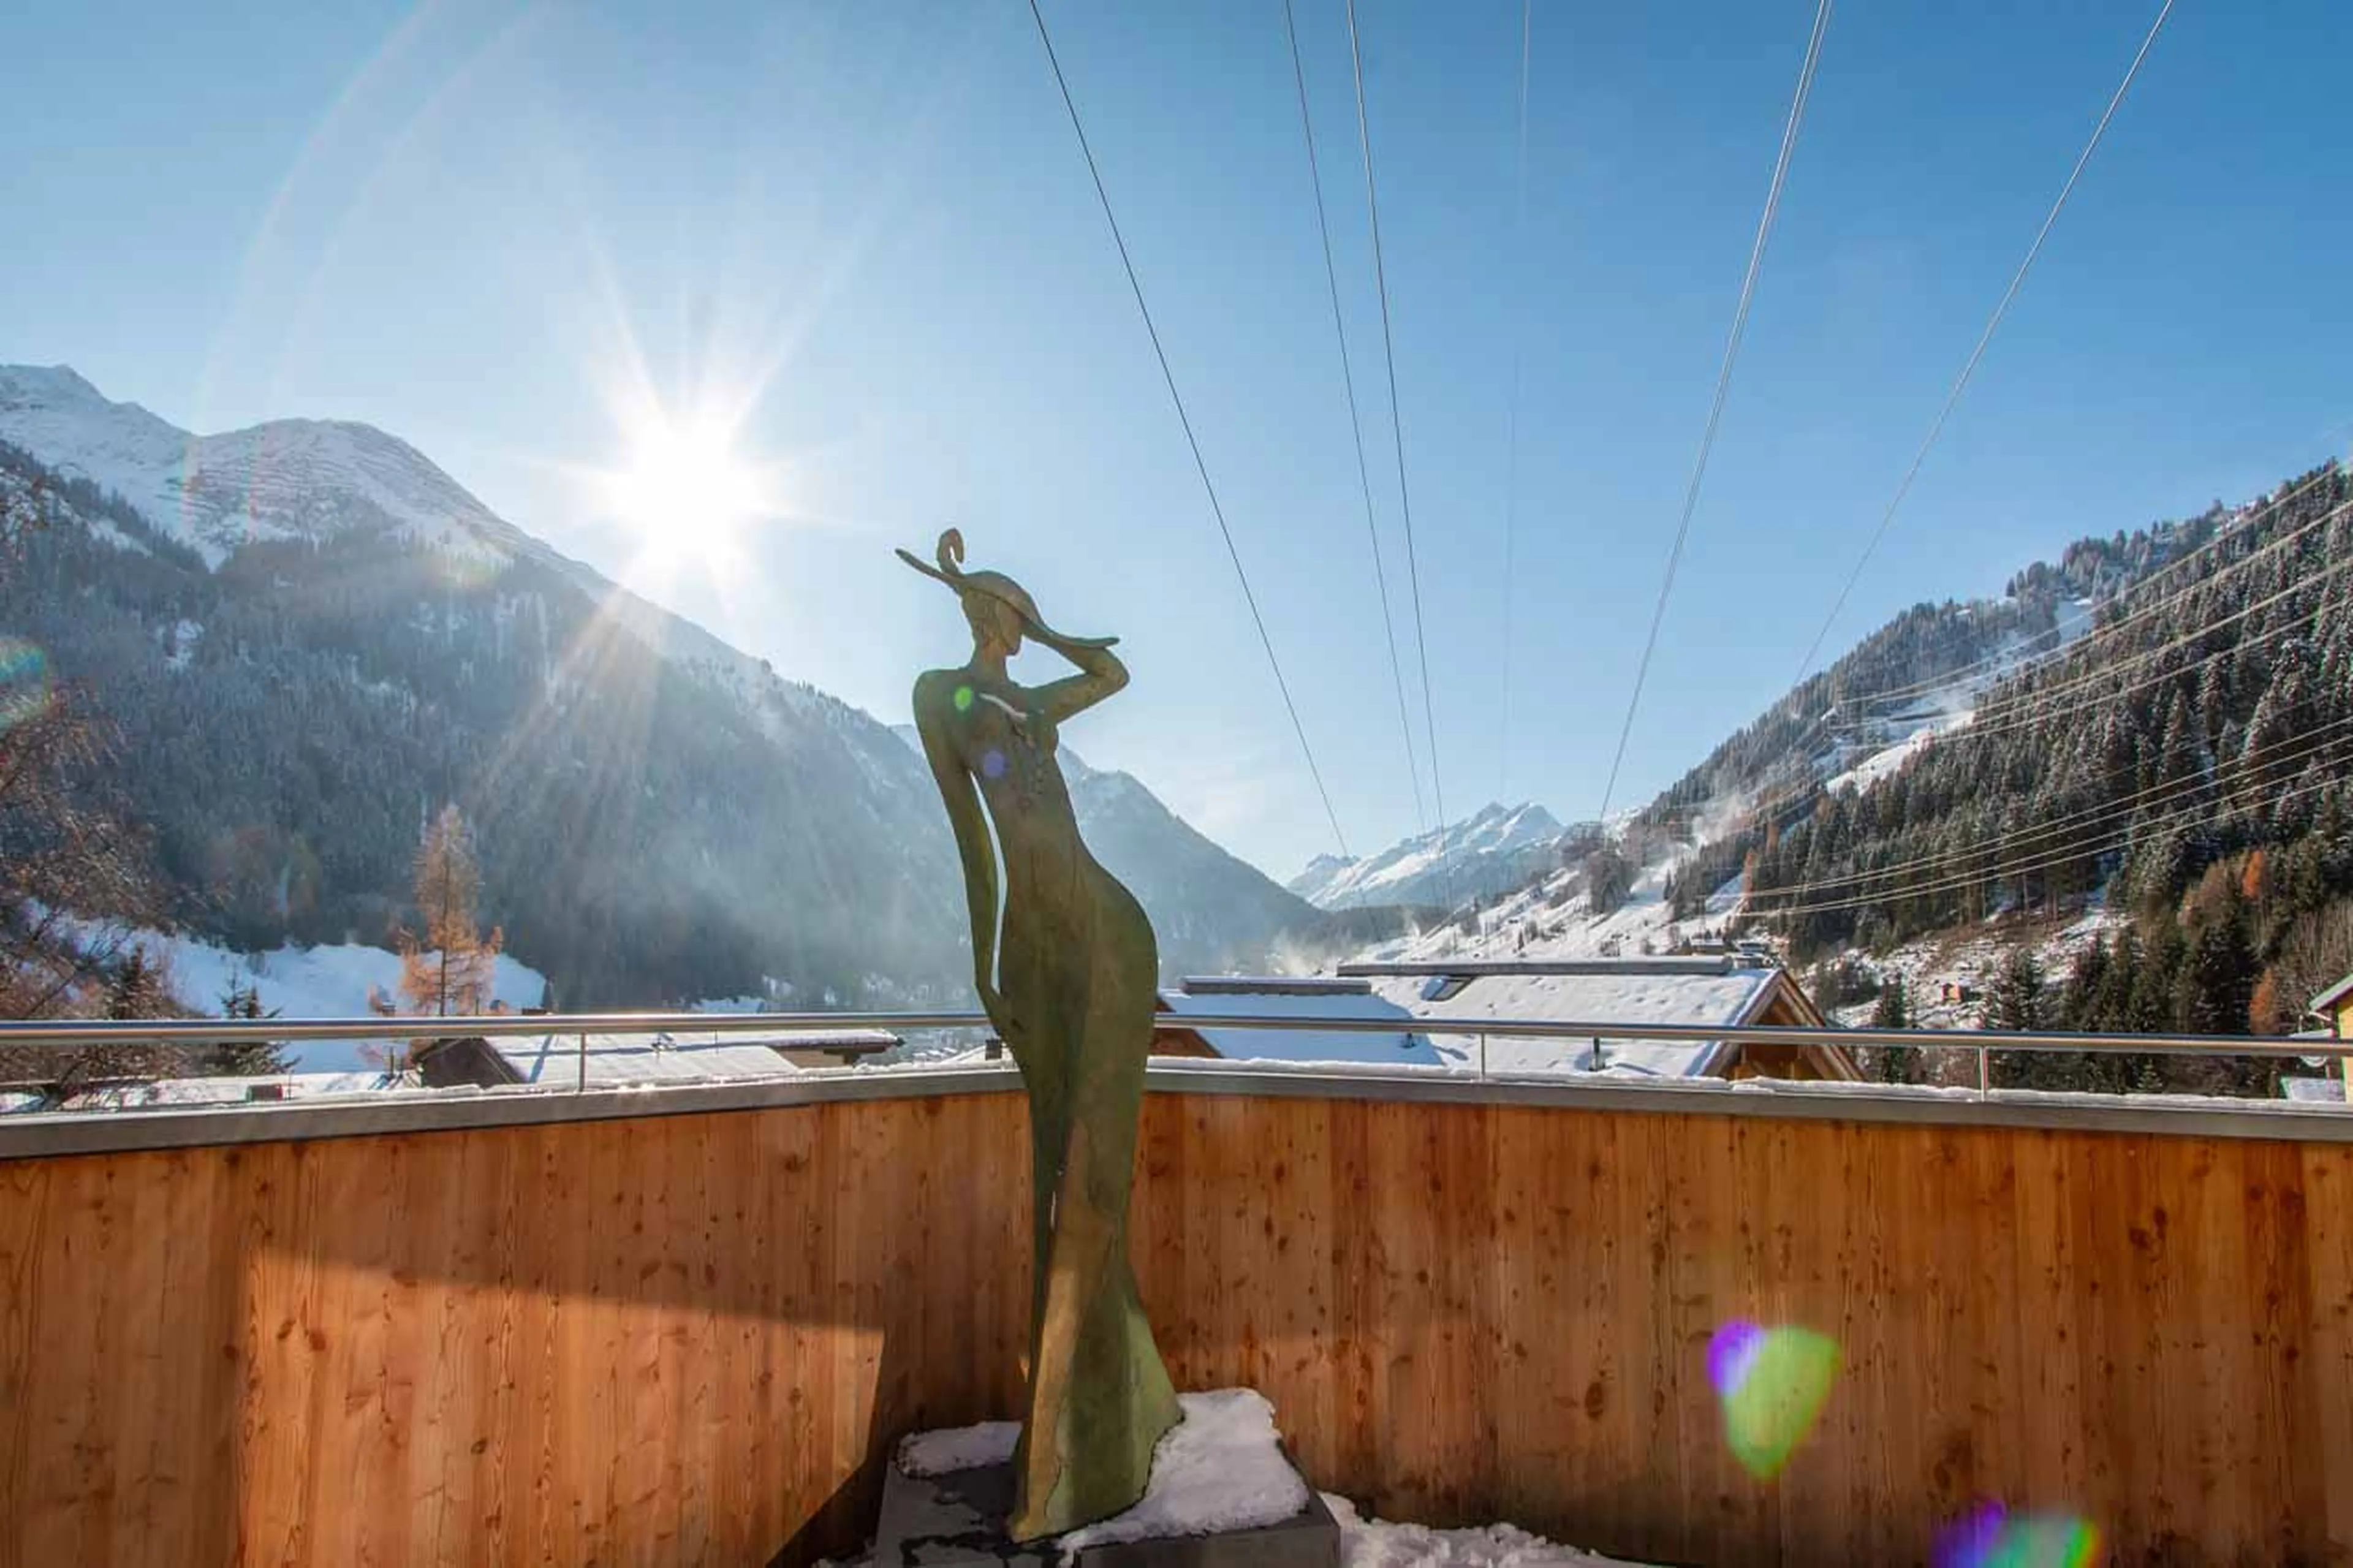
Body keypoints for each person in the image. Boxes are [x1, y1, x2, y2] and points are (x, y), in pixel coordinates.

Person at [901, 529, 1180, 1539]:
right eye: (1008, 614)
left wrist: (1056, 624)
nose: (1015, 630)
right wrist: (982, 964)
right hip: (1037, 947)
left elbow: (1112, 670)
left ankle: (1091, 1435)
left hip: (1109, 927)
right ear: (980, 617)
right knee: (1060, 1185)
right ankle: (1065, 1447)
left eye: (1022, 617)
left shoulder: (1032, 701)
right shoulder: (946, 696)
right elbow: (972, 843)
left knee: (1095, 1181)